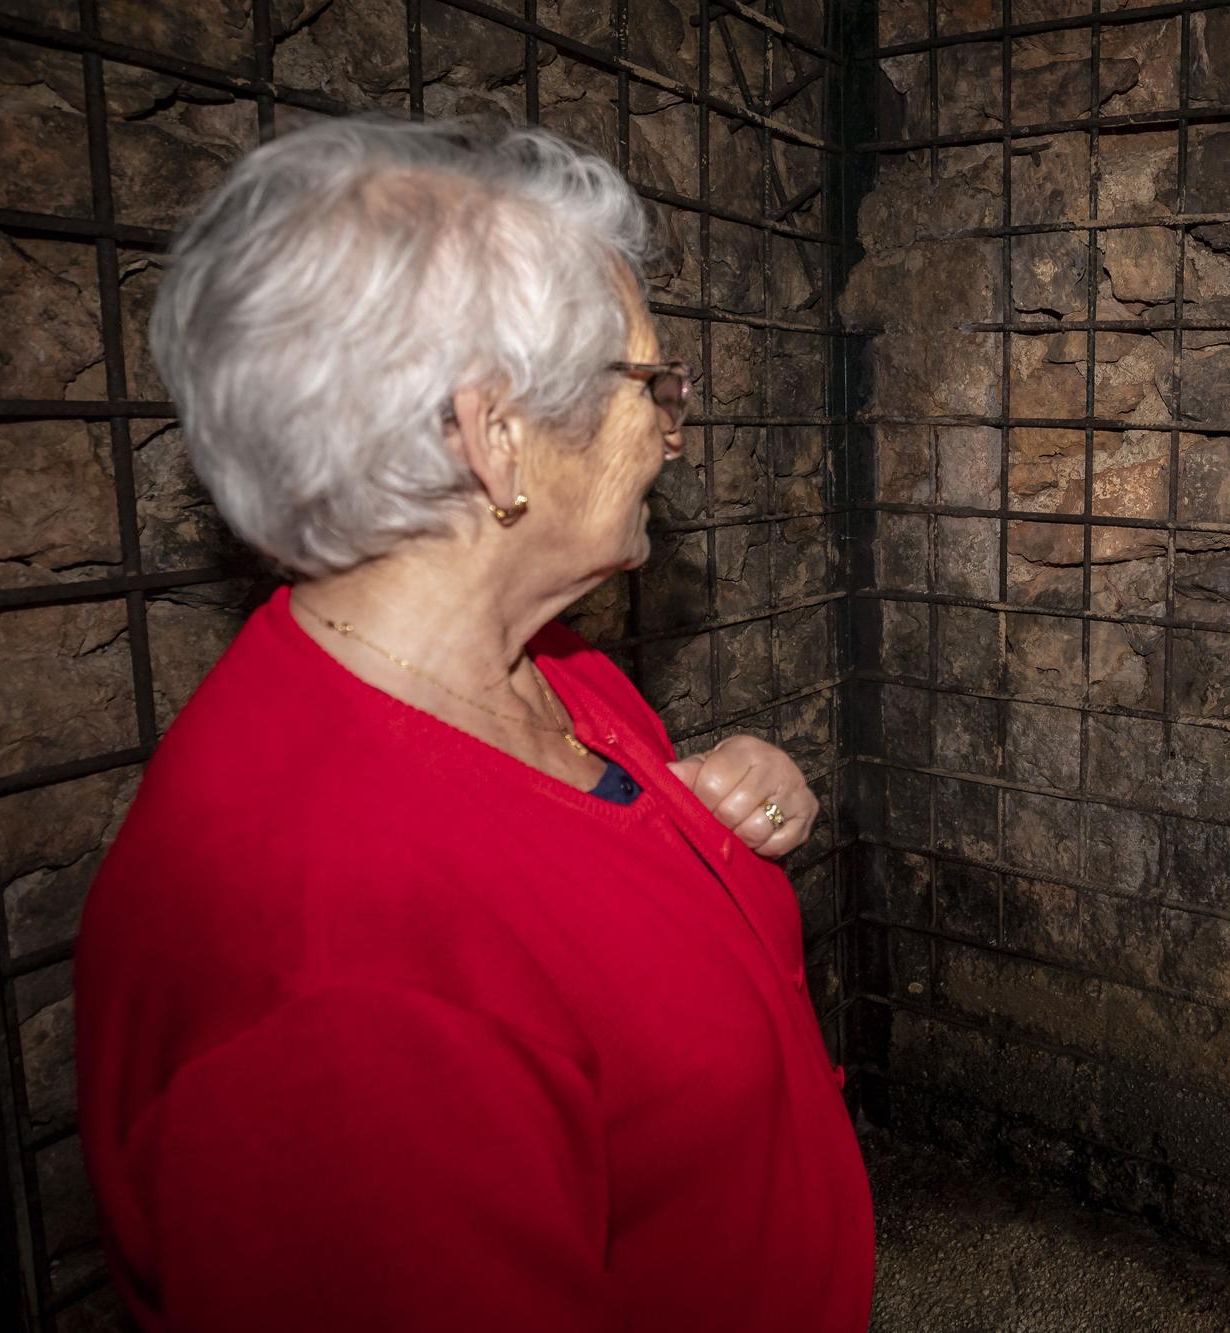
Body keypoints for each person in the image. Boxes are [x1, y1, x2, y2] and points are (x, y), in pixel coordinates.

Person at [73, 118, 873, 1332]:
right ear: (493, 432)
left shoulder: (548, 671)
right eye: (647, 383)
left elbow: (581, 919)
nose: (671, 425)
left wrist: (705, 814)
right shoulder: (341, 982)